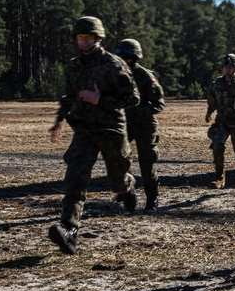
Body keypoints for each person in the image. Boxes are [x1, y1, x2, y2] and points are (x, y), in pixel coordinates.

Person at [47, 16, 140, 255]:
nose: (84, 42)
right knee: (75, 177)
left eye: (89, 38)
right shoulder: (72, 67)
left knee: (116, 180)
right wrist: (58, 120)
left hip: (111, 129)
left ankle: (127, 186)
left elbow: (133, 98)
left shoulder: (114, 64)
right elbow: (68, 95)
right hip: (84, 128)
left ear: (99, 38)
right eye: (80, 38)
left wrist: (101, 100)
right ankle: (69, 229)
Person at [115, 39, 165, 211]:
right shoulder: (116, 75)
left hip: (145, 126)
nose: (125, 60)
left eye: (128, 57)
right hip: (124, 125)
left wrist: (140, 111)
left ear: (135, 58)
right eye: (122, 56)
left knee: (147, 163)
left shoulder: (145, 76)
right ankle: (126, 186)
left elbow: (159, 104)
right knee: (118, 158)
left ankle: (152, 199)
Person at [205, 53, 235, 188]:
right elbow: (212, 99)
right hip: (222, 122)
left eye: (230, 67)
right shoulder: (217, 84)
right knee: (217, 145)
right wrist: (209, 112)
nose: (227, 70)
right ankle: (219, 177)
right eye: (225, 67)